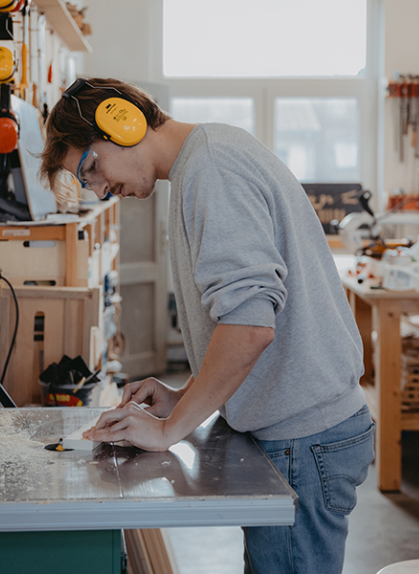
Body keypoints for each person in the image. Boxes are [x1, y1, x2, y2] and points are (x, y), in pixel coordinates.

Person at [40, 77, 374, 574]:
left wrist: (170, 429)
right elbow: (241, 323)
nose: (102, 188)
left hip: (306, 442)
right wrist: (185, 393)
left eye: (91, 167)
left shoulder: (211, 170)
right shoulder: (205, 159)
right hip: (302, 435)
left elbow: (250, 326)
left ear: (123, 122)